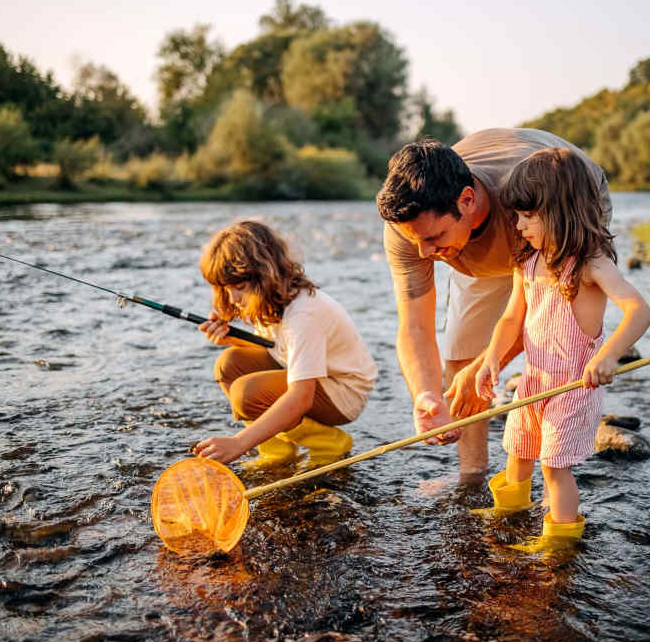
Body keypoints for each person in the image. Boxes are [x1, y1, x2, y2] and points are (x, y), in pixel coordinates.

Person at [376, 128, 612, 482]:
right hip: (481, 242)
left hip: (570, 196)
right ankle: (471, 476)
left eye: (433, 238)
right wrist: (426, 394)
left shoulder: (535, 204)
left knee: (555, 344)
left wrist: (490, 362)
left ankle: (555, 476)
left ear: (467, 200)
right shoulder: (407, 226)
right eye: (416, 241)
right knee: (461, 355)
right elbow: (414, 327)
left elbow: (537, 320)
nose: (424, 254)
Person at [473, 148, 650, 546]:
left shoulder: (591, 263)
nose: (518, 226)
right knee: (517, 450)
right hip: (534, 381)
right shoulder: (528, 263)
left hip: (573, 387)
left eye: (527, 216)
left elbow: (639, 311)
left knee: (554, 468)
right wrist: (490, 361)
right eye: (516, 216)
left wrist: (607, 356)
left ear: (560, 209)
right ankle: (510, 513)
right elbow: (509, 319)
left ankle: (560, 539)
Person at [193, 221, 377, 468]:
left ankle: (328, 442)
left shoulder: (303, 314)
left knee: (246, 393)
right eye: (225, 289)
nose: (233, 299)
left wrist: (238, 443)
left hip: (342, 391)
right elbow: (278, 348)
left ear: (265, 275)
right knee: (229, 364)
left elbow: (301, 397)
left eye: (239, 288)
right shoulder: (272, 299)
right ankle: (279, 450)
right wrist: (229, 337)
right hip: (311, 377)